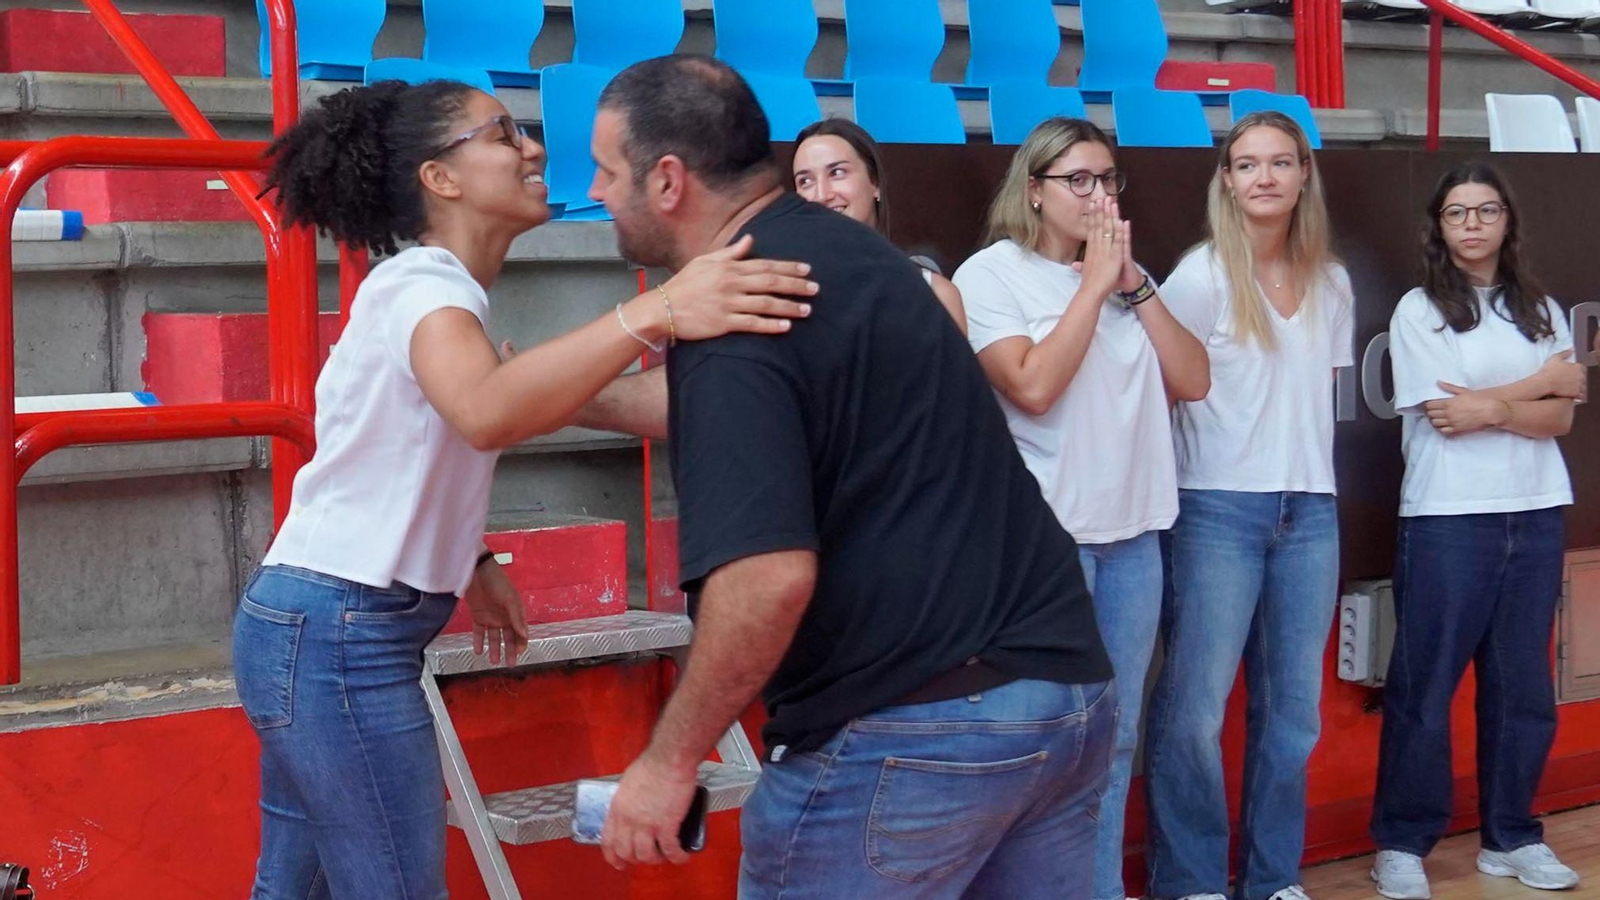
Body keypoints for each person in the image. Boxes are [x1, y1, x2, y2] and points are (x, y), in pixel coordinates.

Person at [236, 79, 815, 899]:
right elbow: (483, 411)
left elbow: (390, 449)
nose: (534, 148)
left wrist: (471, 560)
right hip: (335, 635)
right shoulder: (423, 287)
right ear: (442, 178)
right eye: (503, 133)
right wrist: (653, 315)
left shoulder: (429, 289)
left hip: (320, 622)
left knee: (293, 890)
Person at [578, 54, 1115, 900]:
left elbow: (767, 579)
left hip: (912, 728)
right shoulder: (866, 263)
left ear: (669, 180)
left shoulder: (734, 324)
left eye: (608, 172)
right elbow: (771, 404)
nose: (599, 191)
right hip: (1063, 694)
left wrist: (669, 761)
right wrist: (577, 398)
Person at [952, 116, 1209, 900]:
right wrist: (1096, 287)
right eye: (1079, 181)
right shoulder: (990, 275)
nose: (1099, 196)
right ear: (1034, 190)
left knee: (1115, 736)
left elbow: (1194, 380)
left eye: (1107, 180)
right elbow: (1030, 386)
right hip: (1048, 547)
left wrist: (1133, 284)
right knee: (1034, 743)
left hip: (1134, 539)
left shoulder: (1127, 278)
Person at [1143, 111, 1353, 900]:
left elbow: (1320, 405)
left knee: (1292, 716)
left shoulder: (1332, 279)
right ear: (1225, 181)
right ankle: (1191, 881)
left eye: (1279, 162)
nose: (1263, 177)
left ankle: (1272, 880)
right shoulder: (1200, 274)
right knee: (1194, 713)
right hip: (1215, 512)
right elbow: (1167, 392)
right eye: (1246, 164)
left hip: (1311, 514)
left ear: (1304, 175)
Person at [1369, 163, 1585, 900]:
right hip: (1447, 517)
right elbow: (1446, 417)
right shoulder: (1418, 309)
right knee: (1425, 689)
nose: (1471, 224)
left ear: (1505, 221)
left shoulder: (1542, 310)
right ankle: (1401, 843)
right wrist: (1533, 388)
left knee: (1522, 685)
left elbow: (1563, 417)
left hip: (1535, 508)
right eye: (1457, 212)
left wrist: (1493, 406)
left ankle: (1512, 836)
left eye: (1484, 210)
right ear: (1439, 225)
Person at [791, 118, 967, 332]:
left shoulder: (935, 295)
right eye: (805, 181)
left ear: (875, 183)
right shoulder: (781, 292)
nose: (821, 195)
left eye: (837, 173)